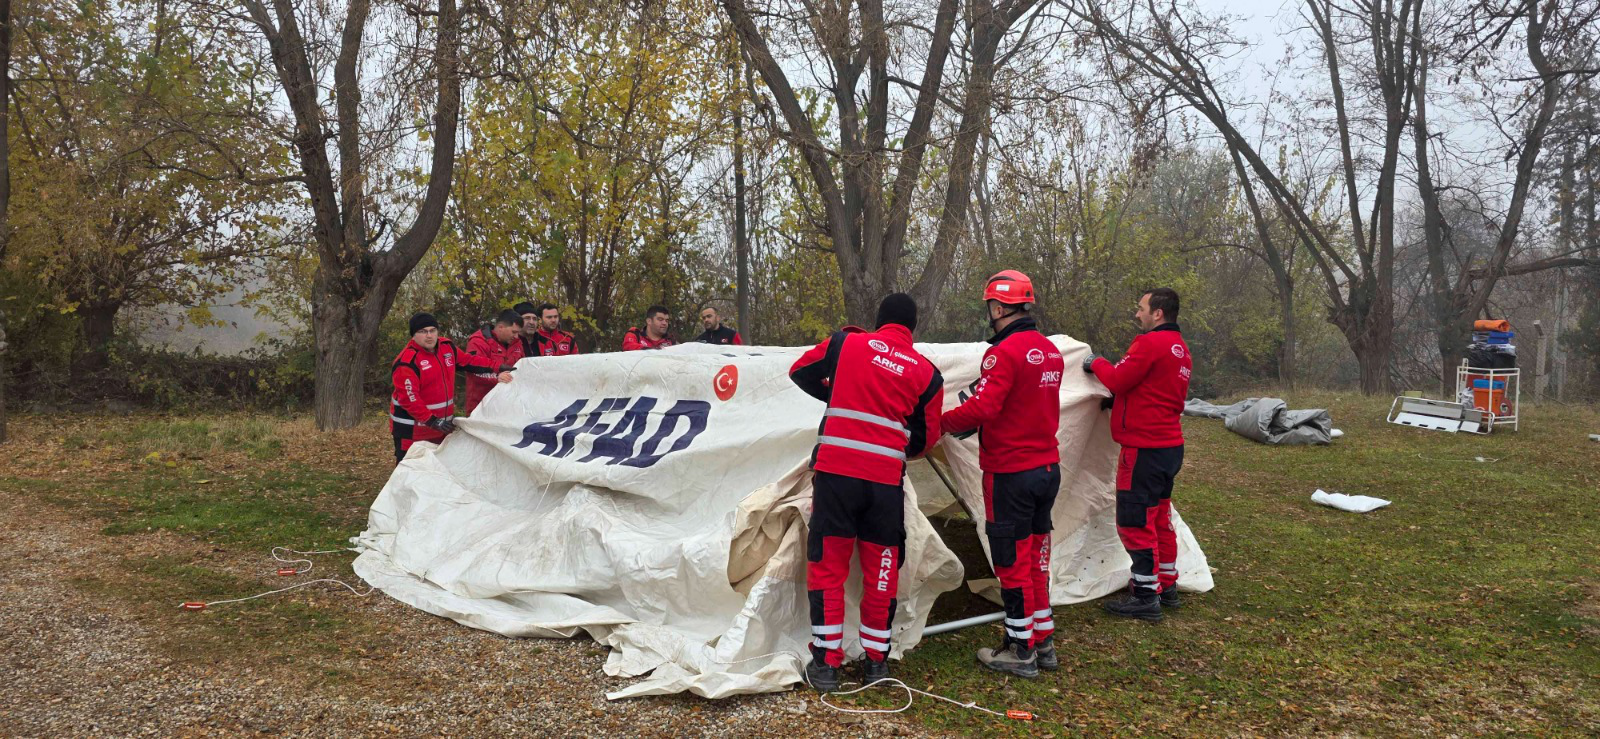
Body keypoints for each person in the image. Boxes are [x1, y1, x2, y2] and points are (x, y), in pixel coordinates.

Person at [788, 293, 944, 692]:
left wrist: (836, 393)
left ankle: (826, 665)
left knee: (828, 567)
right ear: (912, 328)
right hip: (884, 485)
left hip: (836, 477)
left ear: (877, 320)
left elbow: (799, 370)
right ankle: (877, 664)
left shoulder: (846, 343)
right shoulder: (927, 374)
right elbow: (926, 439)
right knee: (882, 571)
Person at [940, 270, 1065, 678]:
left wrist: (942, 421)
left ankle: (1019, 650)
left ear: (997, 307)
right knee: (1035, 560)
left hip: (1011, 471)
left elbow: (985, 407)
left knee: (1010, 561)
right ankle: (1043, 641)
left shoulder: (1002, 354)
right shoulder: (1049, 351)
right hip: (1047, 468)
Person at [1082, 287, 1192, 621]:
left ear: (1158, 313)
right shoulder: (1181, 349)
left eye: (1141, 308)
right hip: (1170, 446)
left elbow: (1117, 378)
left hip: (1143, 448)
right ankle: (1167, 584)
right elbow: (1151, 389)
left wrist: (1094, 362)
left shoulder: (1149, 343)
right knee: (1159, 517)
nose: (1137, 314)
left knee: (1134, 520)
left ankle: (1145, 594)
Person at [390, 312, 511, 464]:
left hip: (440, 427)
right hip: (412, 431)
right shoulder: (407, 362)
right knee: (410, 471)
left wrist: (497, 366)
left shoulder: (446, 347)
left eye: (432, 330)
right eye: (422, 331)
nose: (429, 335)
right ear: (413, 335)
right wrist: (431, 420)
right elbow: (409, 399)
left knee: (437, 470)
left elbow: (468, 361)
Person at [463, 309, 525, 414]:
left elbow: (522, 366)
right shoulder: (478, 341)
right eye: (514, 332)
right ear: (501, 327)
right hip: (481, 406)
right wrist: (496, 377)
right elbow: (473, 371)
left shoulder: (517, 343)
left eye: (518, 333)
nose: (516, 336)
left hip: (508, 405)